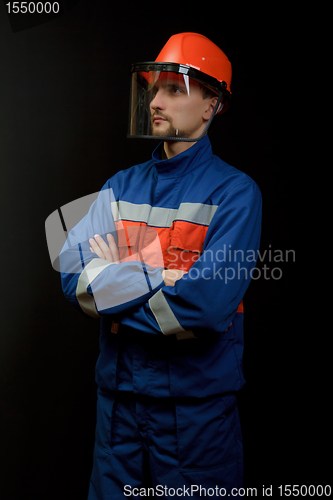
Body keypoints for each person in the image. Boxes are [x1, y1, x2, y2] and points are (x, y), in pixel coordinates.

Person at [58, 33, 262, 499]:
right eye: (153, 88)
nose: (155, 100)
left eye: (174, 88)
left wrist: (114, 277)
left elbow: (206, 306)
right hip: (118, 406)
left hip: (195, 414)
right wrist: (161, 279)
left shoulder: (235, 193)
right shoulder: (120, 185)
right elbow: (72, 276)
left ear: (212, 104)